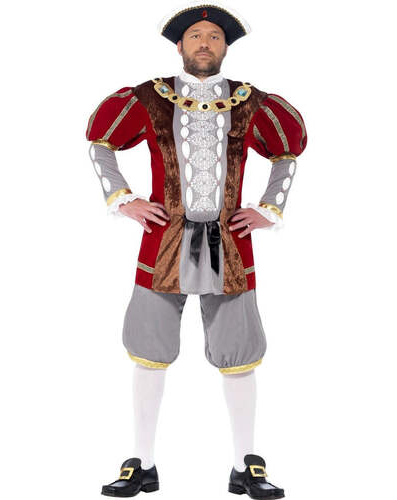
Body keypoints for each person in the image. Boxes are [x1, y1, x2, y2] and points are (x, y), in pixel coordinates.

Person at [85, 2, 307, 498]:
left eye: (214, 37)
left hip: (230, 243)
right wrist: (122, 199)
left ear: (225, 47)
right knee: (149, 351)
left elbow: (286, 153)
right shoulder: (149, 98)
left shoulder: (251, 102)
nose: (204, 43)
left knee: (239, 355)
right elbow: (101, 143)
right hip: (162, 239)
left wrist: (269, 208)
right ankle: (141, 463)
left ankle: (246, 464)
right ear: (180, 45)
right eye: (195, 36)